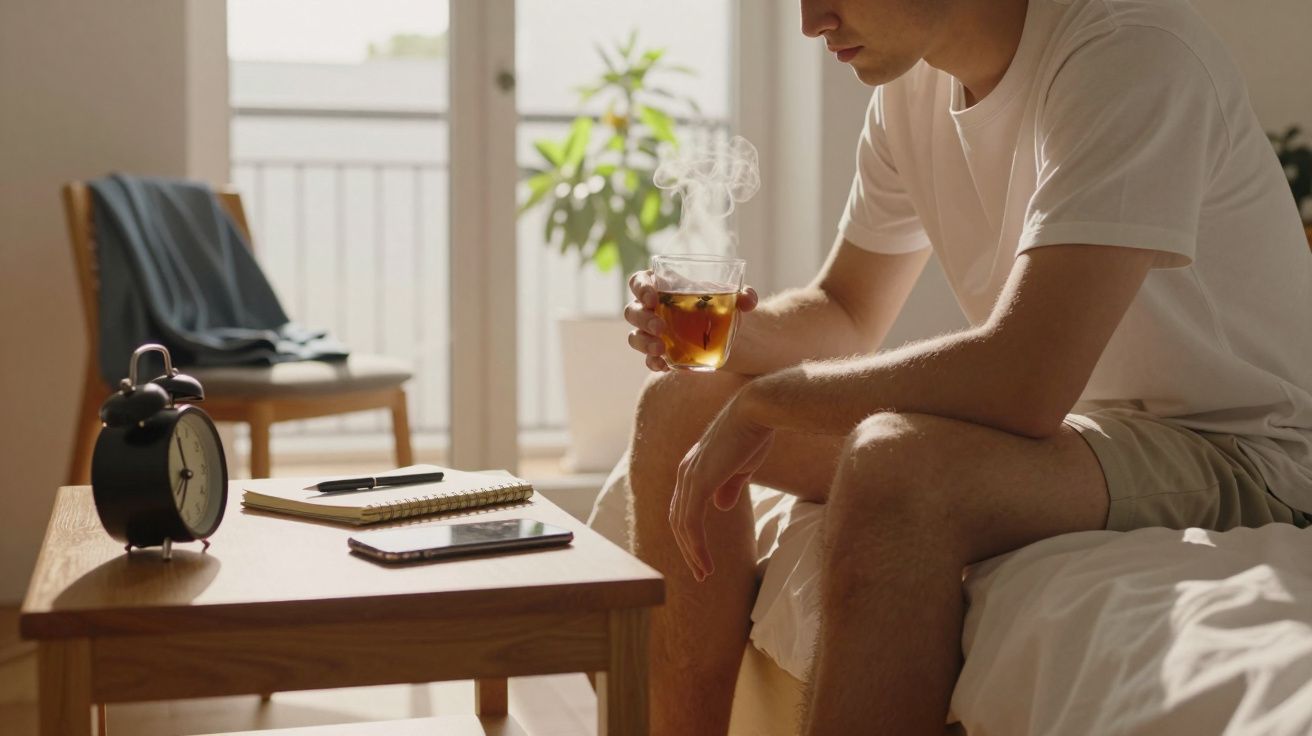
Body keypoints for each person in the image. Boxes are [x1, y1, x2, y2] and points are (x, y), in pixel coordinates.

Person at [618, 0, 1312, 733]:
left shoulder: (1131, 53)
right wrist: (725, 337)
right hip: (1088, 434)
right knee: (677, 408)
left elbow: (1024, 381)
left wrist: (769, 403)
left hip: (1240, 451)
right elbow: (847, 311)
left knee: (898, 465)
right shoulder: (908, 92)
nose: (811, 21)